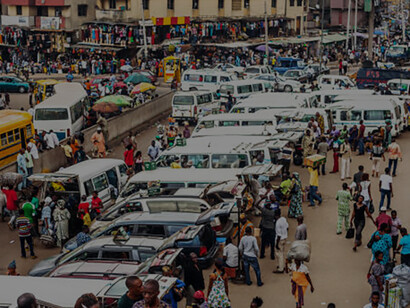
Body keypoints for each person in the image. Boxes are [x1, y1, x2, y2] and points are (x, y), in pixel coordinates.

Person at [254, 195, 276, 260]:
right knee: (272, 243)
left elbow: (256, 205)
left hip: (265, 228)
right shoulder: (273, 212)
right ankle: (272, 256)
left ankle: (262, 254)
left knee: (263, 242)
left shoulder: (264, 210)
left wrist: (261, 199)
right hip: (271, 228)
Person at [274, 209, 288, 274]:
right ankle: (282, 265)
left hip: (280, 239)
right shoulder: (283, 219)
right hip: (285, 238)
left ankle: (281, 268)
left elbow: (279, 235)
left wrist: (276, 244)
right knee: (282, 253)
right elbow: (287, 227)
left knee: (279, 254)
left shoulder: (277, 223)